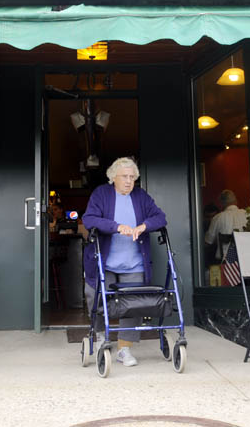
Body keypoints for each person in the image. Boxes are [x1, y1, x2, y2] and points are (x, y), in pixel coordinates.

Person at [82, 157, 167, 367]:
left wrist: (144, 226)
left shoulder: (140, 196)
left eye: (132, 177)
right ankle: (102, 336)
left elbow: (160, 217)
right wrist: (117, 227)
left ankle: (124, 348)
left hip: (134, 263)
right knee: (95, 297)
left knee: (133, 304)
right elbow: (89, 219)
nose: (129, 181)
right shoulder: (102, 193)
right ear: (113, 178)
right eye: (125, 177)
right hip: (105, 262)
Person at [204, 189, 248, 261]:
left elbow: (208, 242)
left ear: (221, 203)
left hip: (223, 262)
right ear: (236, 201)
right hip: (244, 259)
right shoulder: (247, 214)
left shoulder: (217, 217)